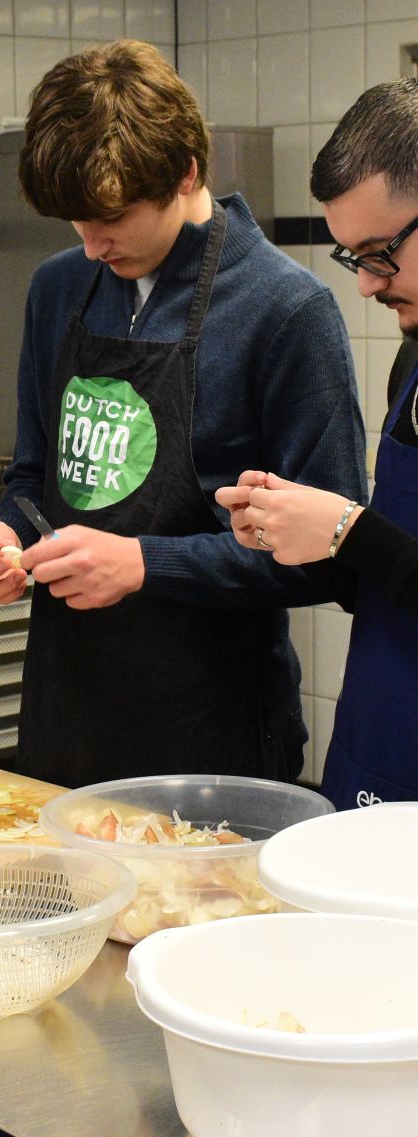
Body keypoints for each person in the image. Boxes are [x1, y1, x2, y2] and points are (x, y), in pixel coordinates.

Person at [0, 39, 367, 789]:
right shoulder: (58, 290)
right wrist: (5, 534)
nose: (89, 245)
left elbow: (330, 557)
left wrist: (145, 562)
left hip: (212, 732)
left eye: (109, 217)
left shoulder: (286, 311)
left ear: (185, 173)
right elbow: (33, 475)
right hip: (68, 716)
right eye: (72, 223)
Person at [216, 77, 418, 810]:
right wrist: (308, 534)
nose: (365, 286)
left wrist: (347, 527)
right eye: (351, 258)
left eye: (380, 253)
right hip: (381, 751)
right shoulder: (412, 357)